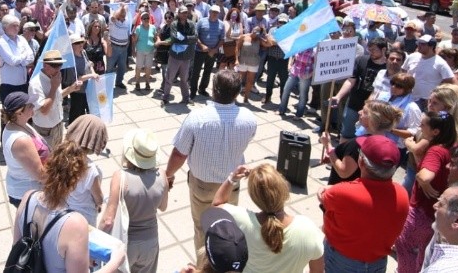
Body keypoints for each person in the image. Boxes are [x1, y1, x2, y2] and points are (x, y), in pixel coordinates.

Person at [166, 69, 258, 251]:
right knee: (227, 228)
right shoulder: (249, 119)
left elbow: (179, 154)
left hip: (202, 186)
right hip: (231, 185)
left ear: (214, 89)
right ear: (237, 92)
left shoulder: (197, 118)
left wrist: (168, 175)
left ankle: (204, 264)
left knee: (202, 228)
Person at [12, 140, 125, 273]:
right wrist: (115, 262)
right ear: (75, 181)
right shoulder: (75, 223)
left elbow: (17, 247)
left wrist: (79, 256)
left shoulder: (27, 198)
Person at [317, 135, 409, 272]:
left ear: (361, 162)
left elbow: (323, 198)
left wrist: (323, 191)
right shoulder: (402, 194)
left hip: (341, 260)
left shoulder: (341, 192)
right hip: (377, 262)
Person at [212, 164, 324, 273]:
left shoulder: (241, 220)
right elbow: (317, 270)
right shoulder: (307, 230)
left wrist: (232, 179)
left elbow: (216, 206)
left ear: (254, 197)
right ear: (285, 188)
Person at [396, 111, 458, 273]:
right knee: (424, 253)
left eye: (423, 125)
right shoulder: (452, 147)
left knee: (404, 246)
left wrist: (422, 181)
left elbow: (425, 176)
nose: (419, 127)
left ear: (435, 132)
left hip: (421, 213)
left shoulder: (436, 151)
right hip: (437, 215)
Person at [100, 128, 169, 272]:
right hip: (150, 242)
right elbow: (163, 207)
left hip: (126, 243)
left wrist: (96, 238)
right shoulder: (162, 176)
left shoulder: (120, 177)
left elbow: (108, 220)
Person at [323, 100, 402, 185]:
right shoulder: (388, 145)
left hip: (345, 190)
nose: (359, 112)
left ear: (372, 120)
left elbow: (344, 172)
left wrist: (328, 146)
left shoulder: (357, 144)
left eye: (364, 112)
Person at [330, 38, 388, 142]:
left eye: (374, 50)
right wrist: (338, 96)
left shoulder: (388, 67)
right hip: (354, 104)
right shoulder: (361, 60)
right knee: (346, 133)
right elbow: (350, 81)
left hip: (373, 110)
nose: (371, 53)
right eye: (369, 49)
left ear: (383, 50)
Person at [28, 50, 81, 149]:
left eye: (60, 65)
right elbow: (44, 110)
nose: (59, 69)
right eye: (55, 66)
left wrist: (71, 88)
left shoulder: (54, 76)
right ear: (45, 65)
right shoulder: (35, 84)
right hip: (45, 129)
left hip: (57, 124)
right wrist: (54, 87)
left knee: (57, 154)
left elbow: (58, 96)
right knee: (46, 158)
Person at [63, 115, 107, 227]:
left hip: (64, 211)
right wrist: (101, 203)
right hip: (84, 218)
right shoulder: (90, 169)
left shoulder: (61, 157)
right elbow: (98, 199)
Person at [402, 34, 457, 110]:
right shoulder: (412, 56)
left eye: (423, 44)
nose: (419, 46)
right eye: (419, 43)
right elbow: (402, 72)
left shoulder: (440, 63)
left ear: (431, 46)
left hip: (427, 101)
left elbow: (453, 82)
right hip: (409, 97)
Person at [161, 6, 197, 106]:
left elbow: (195, 38)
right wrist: (187, 40)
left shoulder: (191, 24)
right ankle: (165, 98)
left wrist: (183, 38)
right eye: (182, 12)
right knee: (169, 78)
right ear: (179, 13)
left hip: (186, 57)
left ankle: (186, 98)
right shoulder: (174, 24)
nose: (184, 14)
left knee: (184, 80)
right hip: (175, 56)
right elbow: (174, 38)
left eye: (186, 12)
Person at [0, 14, 34, 104]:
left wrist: (20, 61)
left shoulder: (22, 39)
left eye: (17, 25)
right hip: (9, 84)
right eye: (13, 25)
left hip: (23, 83)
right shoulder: (1, 42)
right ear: (5, 27)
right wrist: (24, 55)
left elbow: (31, 56)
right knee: (9, 114)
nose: (17, 28)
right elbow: (12, 61)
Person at [190, 5, 224, 99]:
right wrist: (202, 46)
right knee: (196, 71)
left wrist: (215, 49)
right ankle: (193, 90)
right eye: (213, 12)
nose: (215, 14)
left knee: (207, 71)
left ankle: (202, 89)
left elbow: (222, 39)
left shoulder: (221, 24)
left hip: (212, 52)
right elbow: (195, 35)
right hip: (200, 51)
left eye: (216, 12)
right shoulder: (201, 21)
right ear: (209, 12)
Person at [63, 34, 98, 123]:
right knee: (76, 114)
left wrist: (93, 72)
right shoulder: (71, 60)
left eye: (81, 42)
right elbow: (77, 78)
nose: (80, 44)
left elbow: (89, 64)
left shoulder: (83, 52)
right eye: (77, 43)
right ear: (71, 46)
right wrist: (91, 76)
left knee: (87, 112)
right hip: (78, 91)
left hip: (88, 89)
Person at [278, 47, 315, 119]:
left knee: (303, 95)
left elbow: (317, 65)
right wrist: (290, 65)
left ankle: (299, 114)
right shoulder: (299, 46)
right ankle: (281, 110)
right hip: (294, 72)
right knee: (286, 90)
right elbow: (293, 56)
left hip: (305, 75)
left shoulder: (314, 51)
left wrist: (310, 75)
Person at [133, 11, 156, 91]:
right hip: (140, 50)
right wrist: (133, 50)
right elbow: (135, 40)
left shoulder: (153, 27)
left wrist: (156, 46)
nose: (146, 19)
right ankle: (137, 82)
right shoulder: (138, 28)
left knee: (148, 68)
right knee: (138, 67)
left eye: (147, 18)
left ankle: (147, 83)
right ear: (141, 19)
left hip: (150, 51)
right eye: (144, 18)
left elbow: (155, 38)